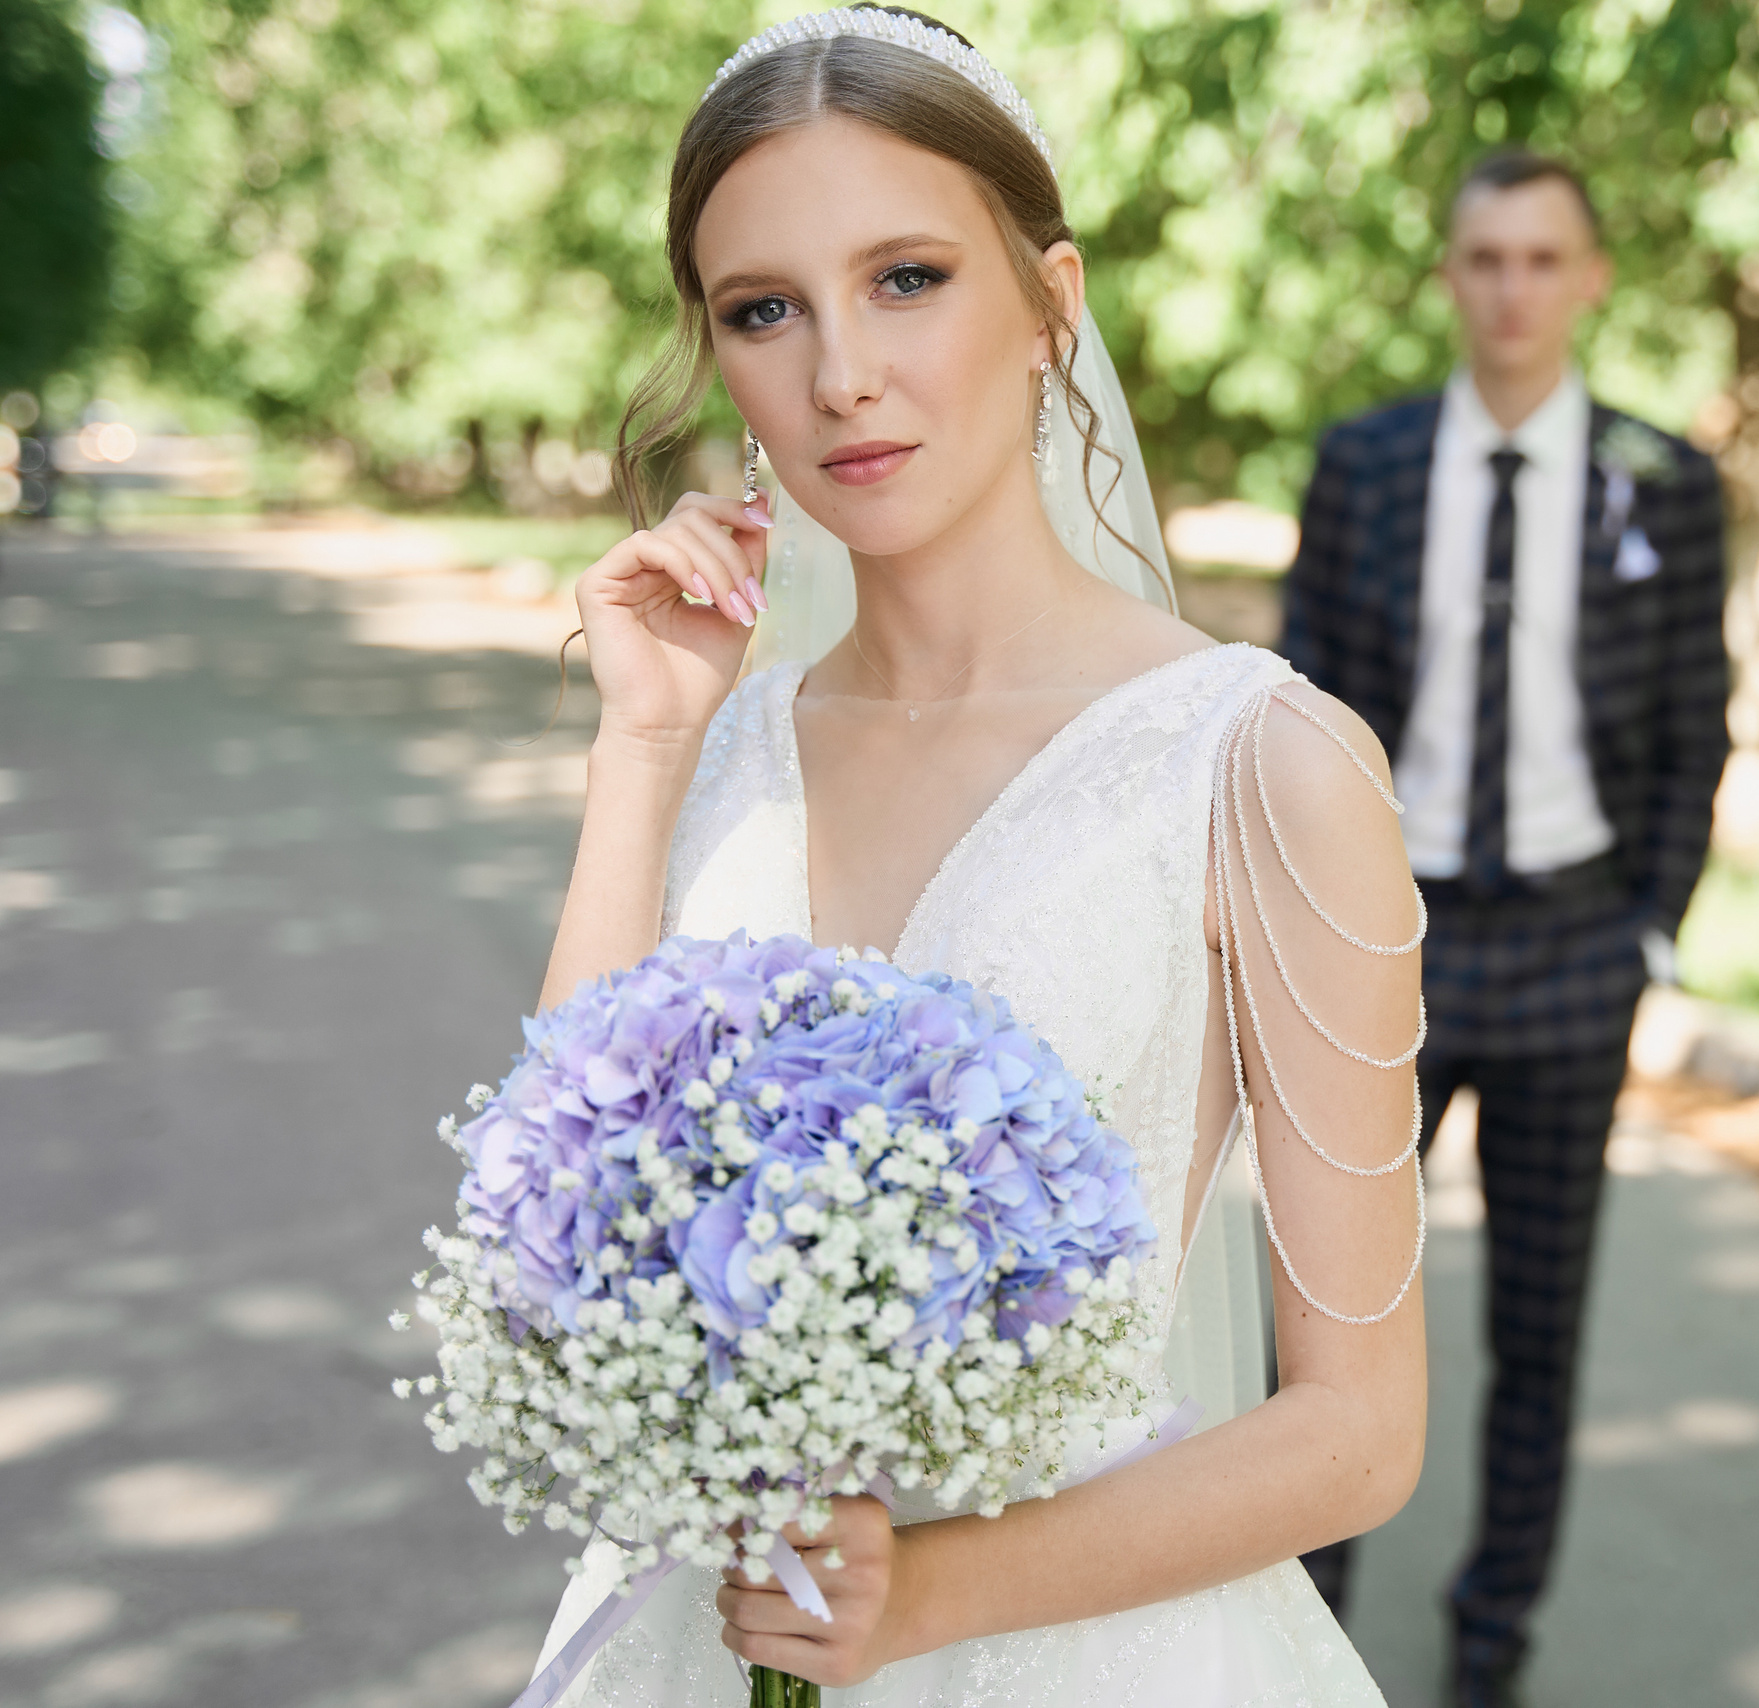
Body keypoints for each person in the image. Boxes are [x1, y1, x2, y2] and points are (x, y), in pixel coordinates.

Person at [522, 10, 1428, 1702]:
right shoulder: (719, 745)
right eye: (764, 310)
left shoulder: (1263, 764)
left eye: (909, 277)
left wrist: (924, 1599)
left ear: (1050, 305)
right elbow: (554, 1234)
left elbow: (1358, 1437)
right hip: (703, 1636)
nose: (840, 373)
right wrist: (639, 752)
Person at [1282, 149, 1731, 1706]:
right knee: (1329, 1320)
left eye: (1545, 259)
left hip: (1567, 950)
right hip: (1377, 949)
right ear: (1449, 276)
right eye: (1486, 257)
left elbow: (1695, 726)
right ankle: (1305, 1637)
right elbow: (1304, 707)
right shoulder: (1368, 466)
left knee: (1537, 1332)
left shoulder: (1666, 479)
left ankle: (1492, 1644)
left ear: (1592, 278)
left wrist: (1647, 933)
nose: (1515, 288)